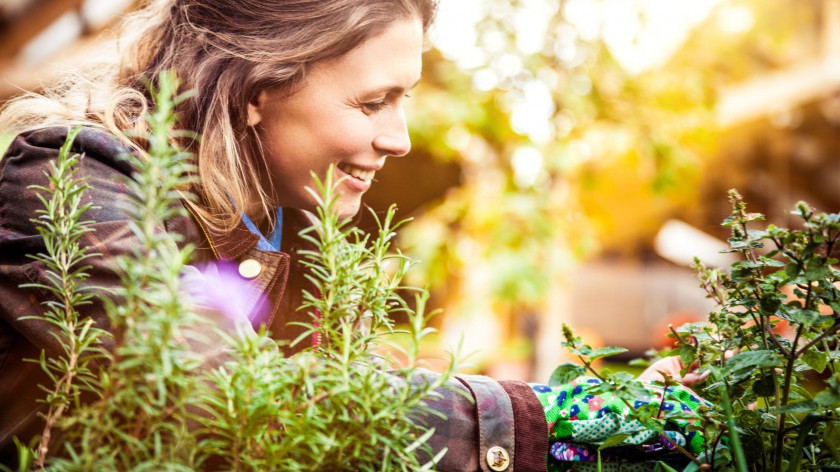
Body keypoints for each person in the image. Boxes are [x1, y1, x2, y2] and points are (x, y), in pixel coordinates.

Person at [0, 1, 709, 470]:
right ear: (256, 91)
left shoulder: (282, 228)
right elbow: (230, 394)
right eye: (373, 101)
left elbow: (346, 417)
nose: (398, 138)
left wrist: (611, 422)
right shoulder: (70, 178)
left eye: (404, 99)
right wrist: (550, 426)